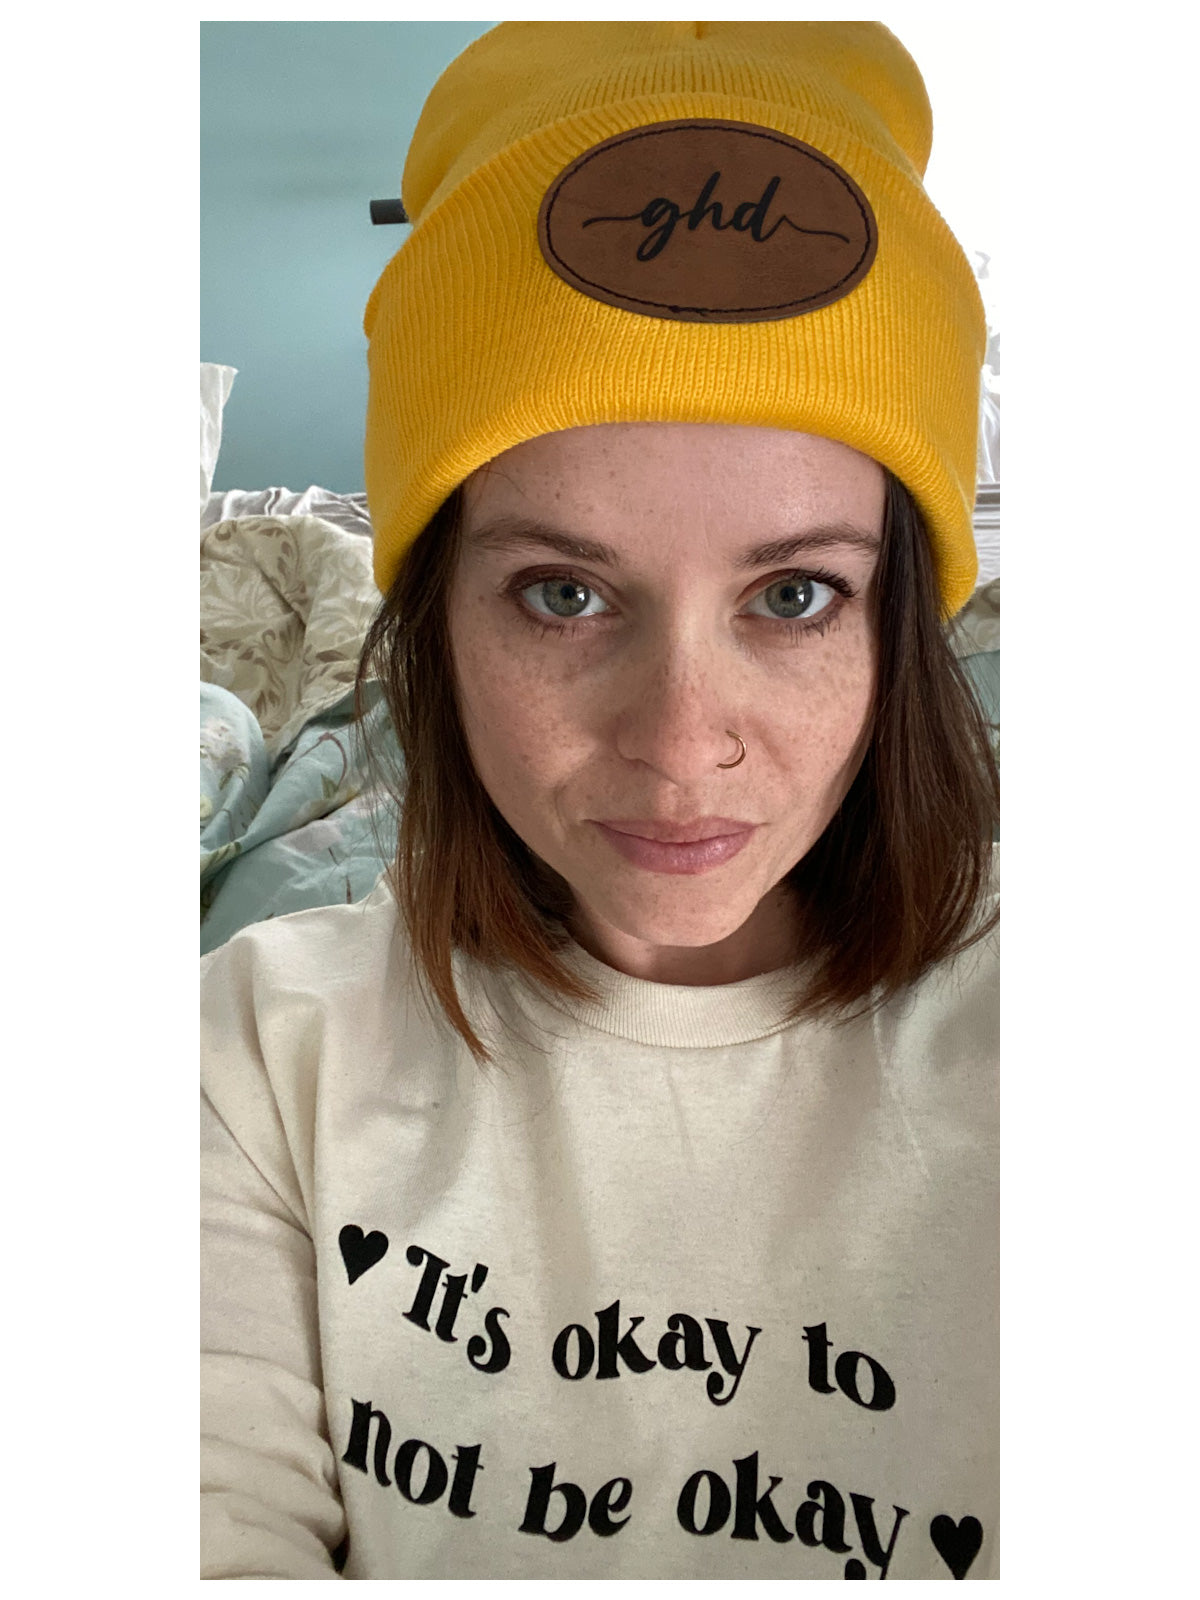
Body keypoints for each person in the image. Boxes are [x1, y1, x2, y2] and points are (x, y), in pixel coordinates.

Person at [201, 21, 999, 1581]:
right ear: (433, 618)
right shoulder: (253, 1051)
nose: (681, 743)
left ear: (906, 622)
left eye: (795, 597)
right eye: (564, 593)